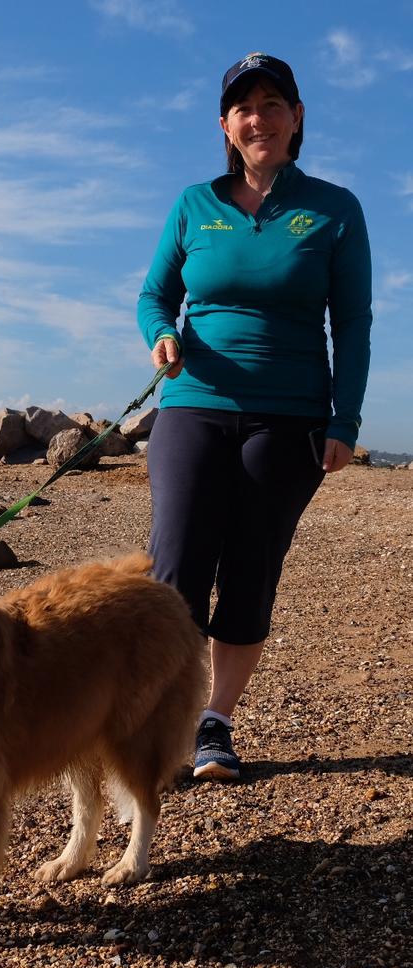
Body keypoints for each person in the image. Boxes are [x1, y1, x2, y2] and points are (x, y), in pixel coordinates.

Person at [137, 53, 372, 781]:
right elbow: (153, 297)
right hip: (193, 405)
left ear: (297, 119)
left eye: (273, 103)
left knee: (251, 570)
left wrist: (345, 421)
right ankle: (161, 721)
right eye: (245, 107)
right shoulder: (193, 204)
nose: (258, 117)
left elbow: (353, 324)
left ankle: (215, 723)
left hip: (290, 418)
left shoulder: (335, 208)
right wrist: (161, 336)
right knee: (173, 567)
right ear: (225, 126)